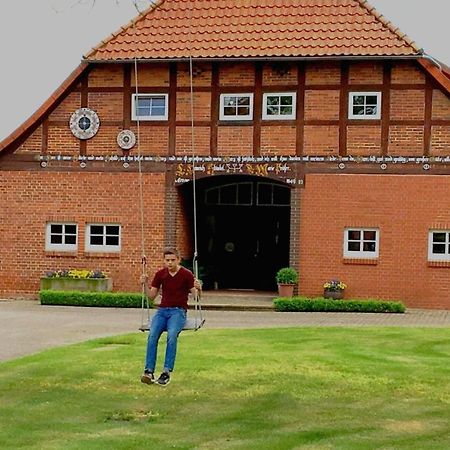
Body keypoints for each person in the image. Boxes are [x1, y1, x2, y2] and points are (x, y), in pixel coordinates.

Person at [140, 247, 201, 386]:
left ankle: (166, 372)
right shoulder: (160, 274)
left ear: (179, 260)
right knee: (152, 335)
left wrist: (198, 288)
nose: (170, 263)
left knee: (172, 335)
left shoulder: (187, 274)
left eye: (173, 260)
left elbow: (196, 297)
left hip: (178, 312)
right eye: (167, 260)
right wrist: (144, 284)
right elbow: (151, 296)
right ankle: (148, 371)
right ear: (164, 261)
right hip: (162, 311)